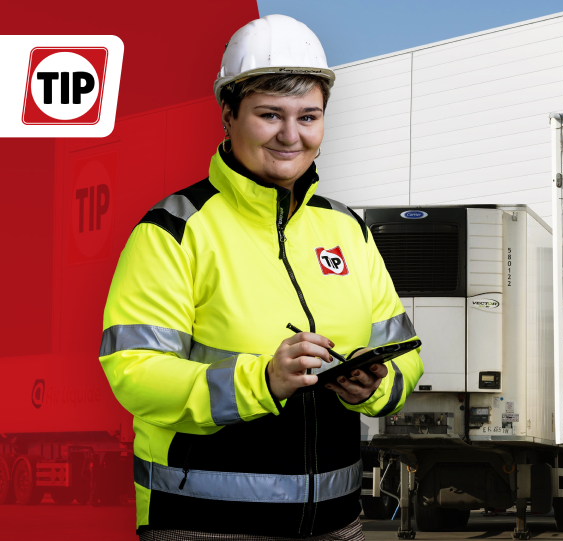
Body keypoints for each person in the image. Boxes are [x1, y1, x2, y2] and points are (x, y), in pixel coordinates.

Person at [99, 14, 423, 540]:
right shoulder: (174, 231)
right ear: (228, 114)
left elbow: (403, 351)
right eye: (270, 115)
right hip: (204, 525)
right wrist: (262, 381)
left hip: (337, 525)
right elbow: (134, 373)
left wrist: (373, 389)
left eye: (308, 116)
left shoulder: (349, 230)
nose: (291, 136)